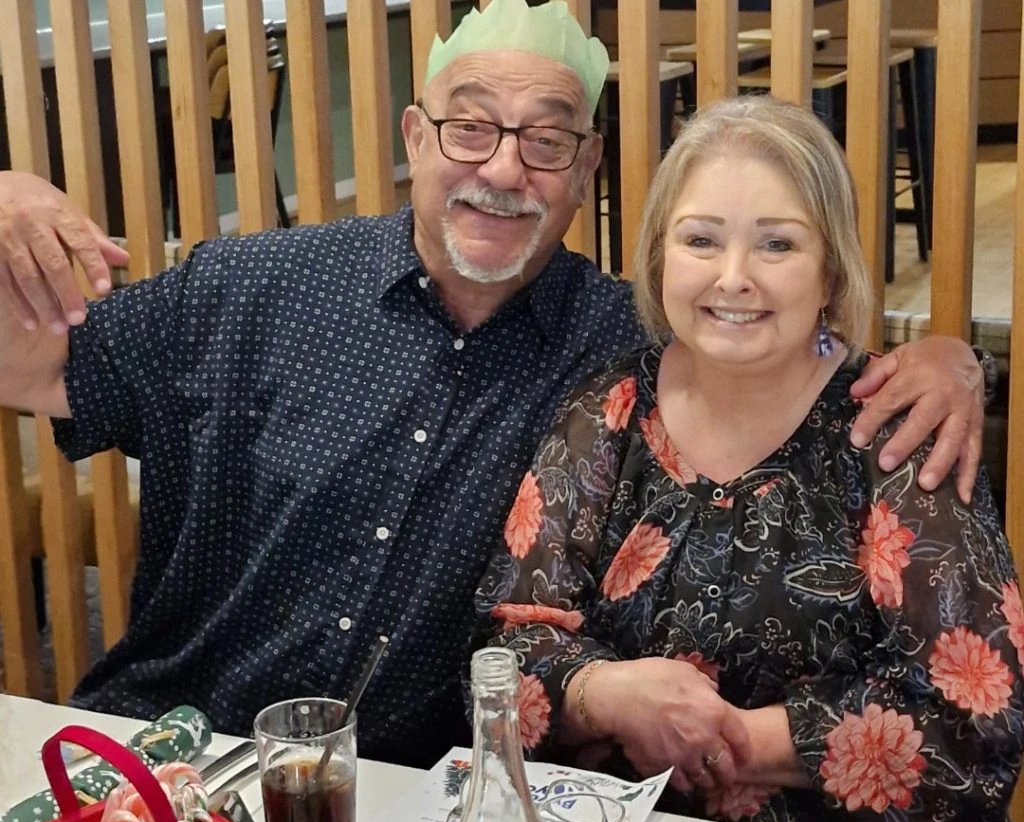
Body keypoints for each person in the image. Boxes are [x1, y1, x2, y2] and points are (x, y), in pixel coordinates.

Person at [0, 0, 989, 769]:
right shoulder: (251, 289)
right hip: (176, 753)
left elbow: (772, 339)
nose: (503, 169)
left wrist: (950, 360)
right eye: (470, 128)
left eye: (545, 139)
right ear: (415, 137)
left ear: (586, 166)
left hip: (411, 803)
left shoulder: (624, 350)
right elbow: (35, 363)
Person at [475, 94, 1024, 822]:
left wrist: (724, 737)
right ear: (661, 258)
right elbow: (505, 638)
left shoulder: (897, 425)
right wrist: (604, 694)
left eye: (777, 245)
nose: (733, 279)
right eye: (701, 240)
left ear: (831, 268)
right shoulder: (607, 410)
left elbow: (975, 725)